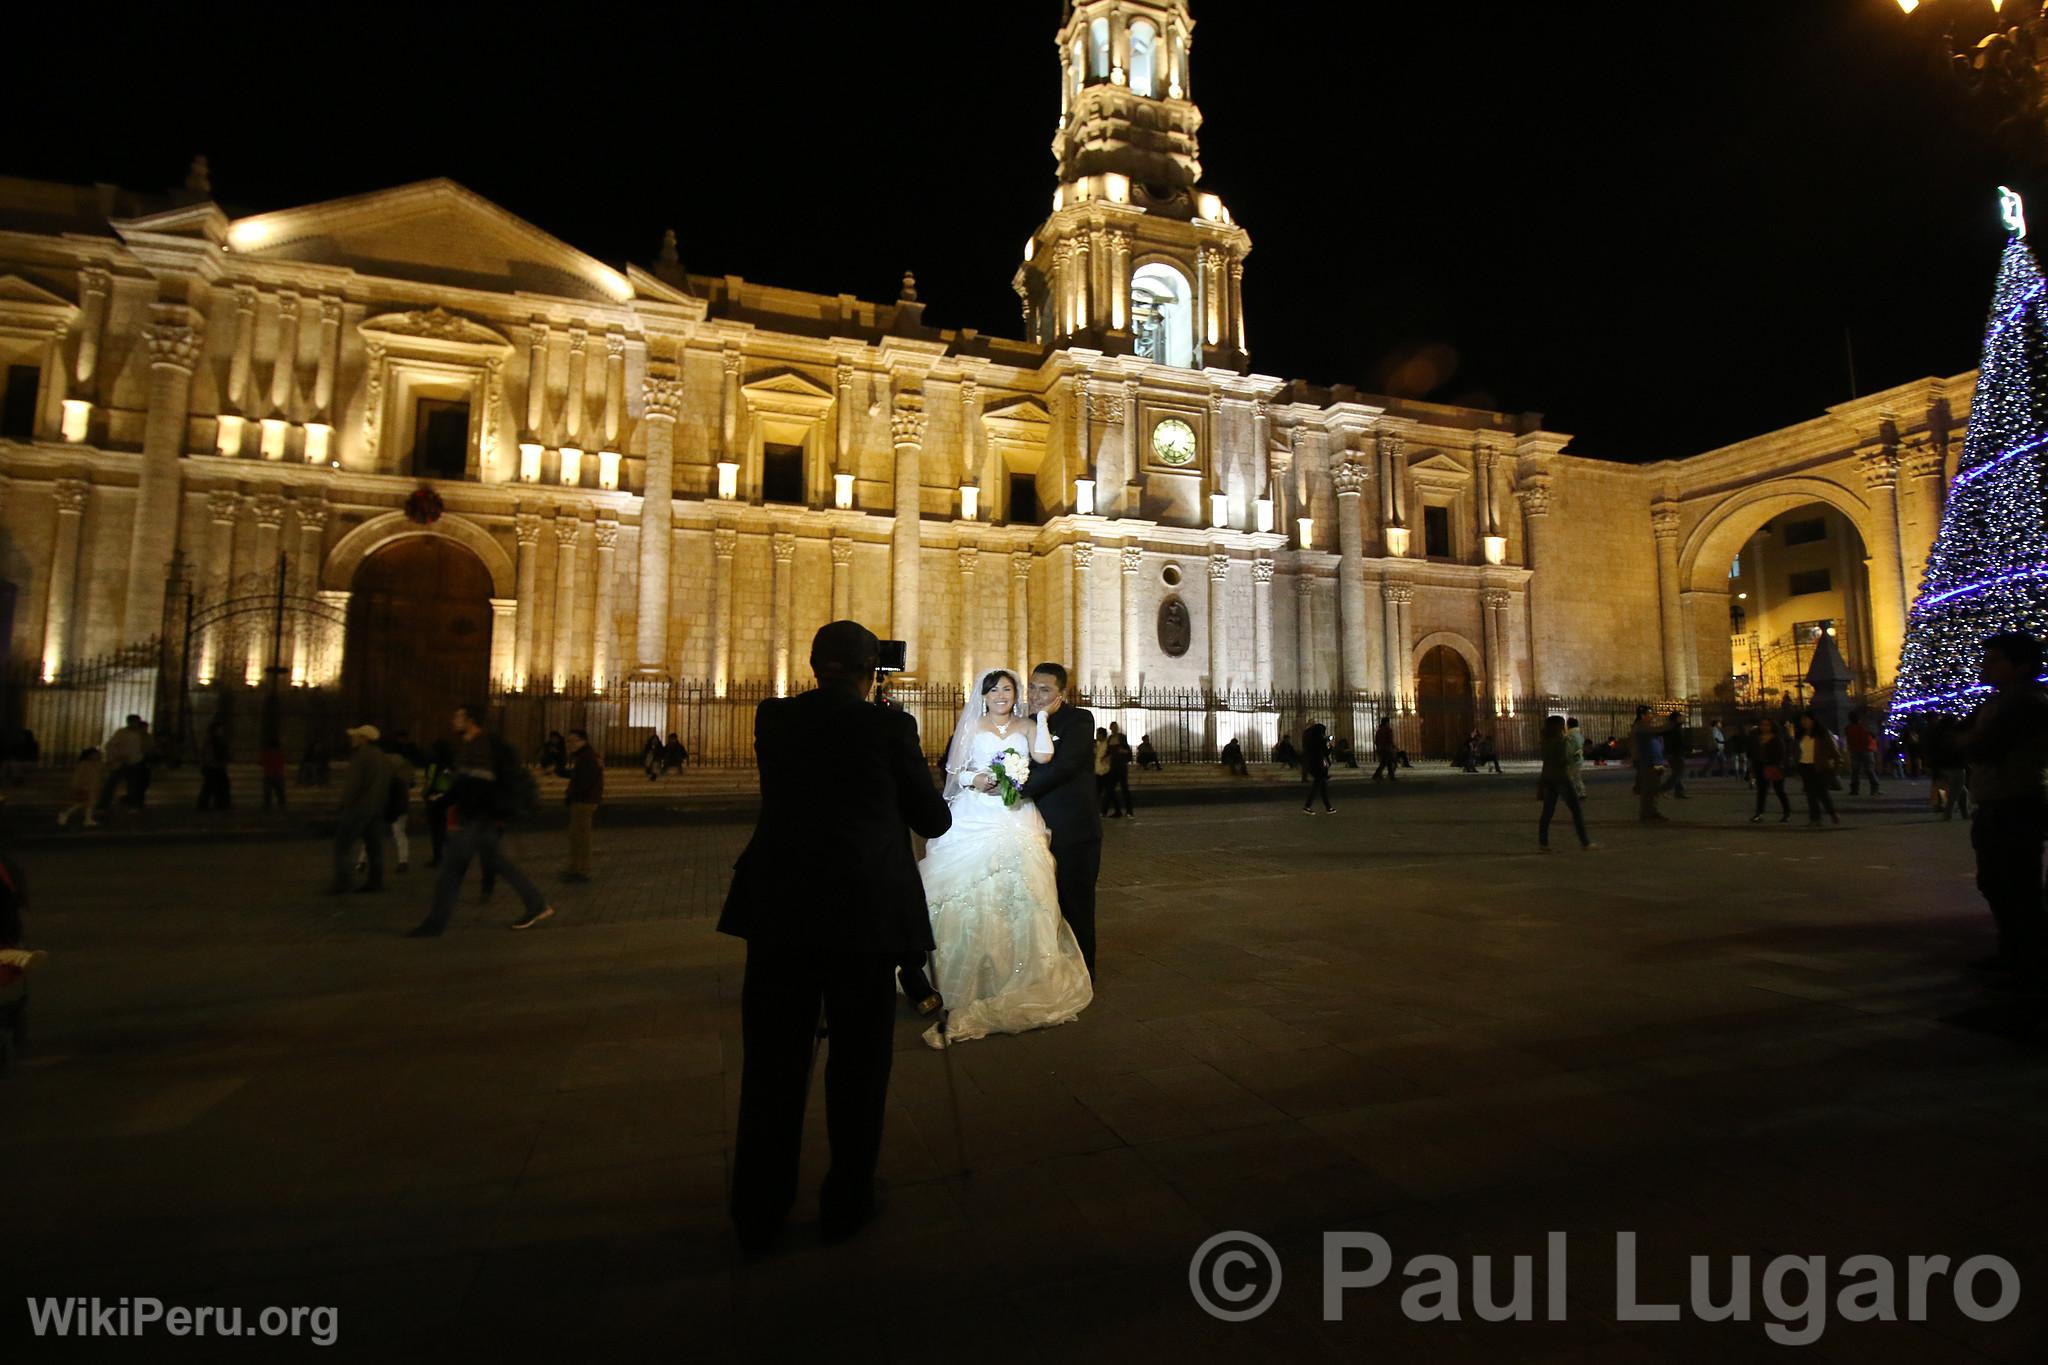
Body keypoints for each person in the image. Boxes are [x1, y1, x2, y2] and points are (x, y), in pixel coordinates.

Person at [719, 620, 951, 1253]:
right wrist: (902, 739)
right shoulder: (888, 727)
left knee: (771, 1065)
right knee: (859, 1063)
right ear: (872, 669)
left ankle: (758, 1209)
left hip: (779, 909)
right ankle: (847, 1199)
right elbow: (932, 818)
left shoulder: (774, 718)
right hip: (862, 915)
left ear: (815, 664)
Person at [924, 667, 1092, 1050]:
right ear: (982, 695)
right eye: (994, 689)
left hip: (1015, 814)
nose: (1001, 694)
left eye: (1007, 689)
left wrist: (1044, 718)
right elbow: (955, 769)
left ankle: (1019, 975)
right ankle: (963, 975)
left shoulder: (1029, 724)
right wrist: (974, 781)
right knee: (969, 891)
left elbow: (1045, 757)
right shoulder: (971, 726)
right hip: (975, 815)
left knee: (1024, 892)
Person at [409, 705, 555, 936]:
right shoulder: (475, 745)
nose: (454, 720)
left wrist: (446, 805)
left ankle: (435, 924)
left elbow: (474, 786)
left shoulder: (480, 746)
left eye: (458, 716)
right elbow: (464, 784)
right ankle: (536, 904)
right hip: (481, 819)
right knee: (496, 864)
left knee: (452, 871)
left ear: (470, 720)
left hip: (476, 819)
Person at [1958, 631, 2048, 980]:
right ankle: (2014, 951)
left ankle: (2029, 960)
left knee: (2017, 885)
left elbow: (1983, 747)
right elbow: (1955, 742)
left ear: (2021, 665)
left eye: (1995, 659)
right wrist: (1964, 740)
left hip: (2017, 803)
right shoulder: (1997, 702)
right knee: (1996, 882)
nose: (1986, 665)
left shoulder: (2028, 702)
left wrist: (1966, 741)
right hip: (1995, 802)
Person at [1020, 662, 1104, 978]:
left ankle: (1084, 970)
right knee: (1042, 904)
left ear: (1061, 693)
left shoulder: (1079, 720)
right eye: (1032, 687)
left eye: (1045, 689)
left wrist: (1018, 788)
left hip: (1073, 831)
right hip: (1034, 829)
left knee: (1076, 902)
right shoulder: (1023, 724)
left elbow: (1063, 766)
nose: (1036, 695)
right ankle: (1049, 970)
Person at [332, 724, 393, 894]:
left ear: (364, 739)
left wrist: (344, 803)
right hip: (376, 807)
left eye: (356, 736)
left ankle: (344, 883)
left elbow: (353, 785)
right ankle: (375, 881)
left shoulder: (361, 757)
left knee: (342, 846)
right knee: (374, 847)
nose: (353, 739)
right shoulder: (381, 757)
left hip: (358, 808)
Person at [1538, 715, 1595, 852]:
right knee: (1576, 810)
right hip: (1561, 778)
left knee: (1547, 812)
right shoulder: (1561, 741)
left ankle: (1543, 843)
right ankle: (1585, 842)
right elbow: (1564, 759)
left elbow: (1546, 759)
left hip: (1548, 778)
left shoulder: (1545, 741)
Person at [562, 728, 603, 882]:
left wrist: (573, 795)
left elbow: (585, 782)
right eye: (568, 741)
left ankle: (582, 869)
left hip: (583, 801)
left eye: (573, 741)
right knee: (576, 835)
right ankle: (575, 867)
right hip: (582, 799)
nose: (569, 744)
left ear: (582, 741)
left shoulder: (588, 757)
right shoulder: (584, 756)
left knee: (581, 836)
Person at [1795, 712, 1841, 827]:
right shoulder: (1802, 735)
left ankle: (1832, 813)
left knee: (1822, 793)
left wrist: (1835, 767)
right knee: (1810, 794)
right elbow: (1798, 750)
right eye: (1802, 720)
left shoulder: (1822, 734)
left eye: (1806, 720)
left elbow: (1833, 750)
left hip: (1819, 766)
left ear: (1813, 720)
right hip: (1805, 765)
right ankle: (1815, 818)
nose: (1804, 722)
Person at [98, 714, 148, 815]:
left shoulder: (140, 734)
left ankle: (133, 805)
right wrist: (116, 756)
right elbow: (110, 745)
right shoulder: (122, 733)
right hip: (122, 761)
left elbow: (145, 746)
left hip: (135, 762)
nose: (134, 724)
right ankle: (103, 805)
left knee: (133, 785)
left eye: (136, 722)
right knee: (112, 784)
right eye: (132, 722)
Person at [1748, 716, 1792, 823]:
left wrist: (1778, 765)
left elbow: (1781, 754)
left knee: (1779, 790)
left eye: (1767, 725)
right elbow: (1752, 752)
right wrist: (1752, 768)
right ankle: (1759, 813)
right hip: (1760, 765)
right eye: (1762, 724)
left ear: (1772, 726)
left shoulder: (1777, 738)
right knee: (1761, 791)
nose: (1764, 727)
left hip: (1774, 766)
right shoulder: (1757, 737)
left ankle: (1787, 812)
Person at [421, 739, 456, 866]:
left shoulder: (434, 764)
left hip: (434, 798)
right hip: (443, 797)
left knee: (436, 830)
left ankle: (439, 857)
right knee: (440, 828)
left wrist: (426, 795)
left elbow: (430, 781)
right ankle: (448, 853)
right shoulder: (449, 764)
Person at [1631, 705, 1666, 822]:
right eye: (1650, 714)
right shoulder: (1640, 727)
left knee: (1654, 789)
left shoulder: (1646, 727)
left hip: (1655, 760)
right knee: (1648, 790)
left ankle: (1652, 811)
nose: (1652, 716)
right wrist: (1671, 723)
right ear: (1643, 715)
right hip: (1648, 762)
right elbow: (1659, 730)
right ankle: (1646, 814)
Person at [56, 747, 102, 828]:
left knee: (88, 804)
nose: (96, 756)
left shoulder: (96, 765)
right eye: (94, 755)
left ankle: (87, 819)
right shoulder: (84, 764)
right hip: (85, 787)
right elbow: (77, 776)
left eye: (97, 755)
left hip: (92, 788)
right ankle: (66, 814)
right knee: (82, 803)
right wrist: (77, 786)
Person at [1843, 709, 1882, 796]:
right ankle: (1874, 789)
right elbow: (1871, 736)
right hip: (1866, 750)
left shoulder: (1848, 728)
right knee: (1870, 770)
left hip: (1854, 750)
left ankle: (1854, 789)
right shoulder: (1864, 727)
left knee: (1855, 771)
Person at [196, 719, 232, 811]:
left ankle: (221, 804)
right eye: (220, 729)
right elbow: (207, 753)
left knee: (220, 786)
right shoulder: (210, 741)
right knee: (210, 787)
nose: (221, 731)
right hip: (212, 766)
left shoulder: (219, 740)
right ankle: (208, 805)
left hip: (217, 766)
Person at [1301, 720, 1334, 813]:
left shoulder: (1310, 739)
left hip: (1312, 764)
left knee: (1322, 786)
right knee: (1317, 786)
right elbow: (1325, 752)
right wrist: (1331, 746)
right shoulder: (1320, 740)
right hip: (1319, 765)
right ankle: (1307, 806)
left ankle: (1328, 807)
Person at [1660, 712, 1690, 799]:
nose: (1682, 719)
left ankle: (1679, 791)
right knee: (1678, 772)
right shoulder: (1672, 728)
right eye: (1680, 717)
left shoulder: (1674, 727)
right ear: (1676, 719)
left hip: (1675, 752)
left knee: (1677, 772)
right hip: (1675, 753)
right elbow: (1675, 741)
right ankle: (1663, 789)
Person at [1108, 726, 1135, 820]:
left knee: (1124, 789)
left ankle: (1129, 811)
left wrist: (1124, 751)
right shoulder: (1110, 738)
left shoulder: (1121, 737)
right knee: (1110, 789)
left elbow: (1127, 749)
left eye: (1115, 727)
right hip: (1113, 766)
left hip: (1121, 766)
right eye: (1113, 727)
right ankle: (1118, 810)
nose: (1114, 729)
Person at [1093, 726, 1119, 817]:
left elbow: (1112, 754)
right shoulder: (1098, 744)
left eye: (1097, 734)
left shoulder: (1107, 744)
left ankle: (1106, 811)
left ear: (1101, 734)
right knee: (1101, 792)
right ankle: (1101, 811)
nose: (1096, 736)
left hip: (1106, 771)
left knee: (1109, 792)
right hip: (1098, 771)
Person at [258, 735, 288, 810]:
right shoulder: (280, 752)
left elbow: (261, 762)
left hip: (269, 774)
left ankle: (267, 806)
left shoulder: (266, 753)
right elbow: (284, 760)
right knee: (280, 793)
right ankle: (282, 807)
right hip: (278, 774)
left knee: (268, 793)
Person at [1564, 717, 1587, 799]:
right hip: (1577, 758)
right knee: (1576, 776)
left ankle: (1577, 793)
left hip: (1574, 759)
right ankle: (1581, 792)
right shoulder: (1578, 734)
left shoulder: (1571, 736)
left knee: (1571, 777)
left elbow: (1569, 749)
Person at [1371, 717, 1398, 781]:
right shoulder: (1388, 730)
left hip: (1381, 748)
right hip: (1387, 748)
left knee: (1388, 762)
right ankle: (1376, 775)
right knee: (1387, 763)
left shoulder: (1379, 730)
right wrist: (1394, 747)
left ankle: (1391, 776)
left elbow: (1376, 741)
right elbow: (1389, 740)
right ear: (1386, 722)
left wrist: (1378, 748)